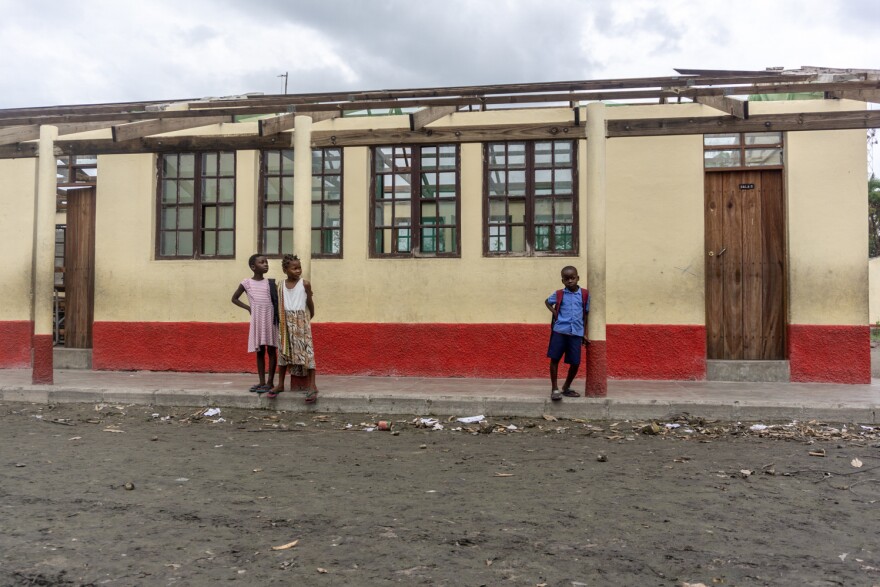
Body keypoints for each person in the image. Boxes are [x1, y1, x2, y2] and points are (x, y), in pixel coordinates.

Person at [269, 254, 317, 403]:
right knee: (283, 353)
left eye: (299, 268)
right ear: (285, 270)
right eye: (294, 268)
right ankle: (281, 384)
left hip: (301, 321)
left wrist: (308, 318)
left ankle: (312, 385)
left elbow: (310, 302)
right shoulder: (280, 285)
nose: (298, 271)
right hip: (285, 322)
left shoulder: (305, 284)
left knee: (307, 352)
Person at [231, 254, 279, 393]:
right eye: (262, 262)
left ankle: (270, 382)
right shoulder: (246, 283)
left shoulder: (270, 283)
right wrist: (248, 308)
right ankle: (261, 382)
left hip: (270, 319)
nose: (266, 264)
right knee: (260, 352)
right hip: (257, 320)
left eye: (266, 262)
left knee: (271, 350)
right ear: (253, 266)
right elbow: (234, 298)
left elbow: (276, 301)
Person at [544, 266, 590, 401]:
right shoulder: (559, 294)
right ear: (562, 280)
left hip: (576, 333)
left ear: (577, 278)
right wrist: (555, 313)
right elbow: (547, 302)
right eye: (566, 279)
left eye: (572, 278)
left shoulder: (585, 294)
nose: (570, 281)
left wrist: (584, 333)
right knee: (554, 359)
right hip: (560, 331)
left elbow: (586, 314)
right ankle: (554, 389)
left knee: (575, 362)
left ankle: (566, 387)